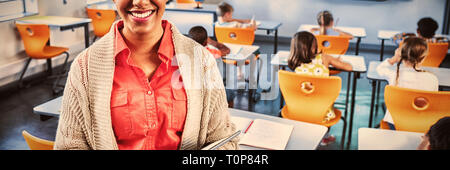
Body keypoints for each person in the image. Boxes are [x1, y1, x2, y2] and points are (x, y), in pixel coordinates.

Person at [54, 0, 238, 150]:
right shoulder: (84, 67)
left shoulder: (202, 61)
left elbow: (224, 140)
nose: (139, 2)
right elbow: (69, 146)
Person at [287, 31, 352, 146]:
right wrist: (340, 61)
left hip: (298, 110)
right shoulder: (324, 57)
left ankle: (302, 134)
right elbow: (349, 67)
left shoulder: (295, 61)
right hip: (322, 112)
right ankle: (324, 137)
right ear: (314, 46)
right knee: (325, 99)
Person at [377, 37, 439, 130]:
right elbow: (432, 105)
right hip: (421, 125)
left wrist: (394, 58)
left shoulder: (394, 75)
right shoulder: (433, 79)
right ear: (424, 57)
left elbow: (380, 69)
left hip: (394, 123)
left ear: (402, 55)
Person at [188, 26, 235, 108]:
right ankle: (228, 116)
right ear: (206, 42)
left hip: (192, 92)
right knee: (230, 93)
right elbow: (226, 50)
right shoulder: (211, 52)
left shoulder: (185, 53)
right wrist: (213, 42)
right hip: (210, 93)